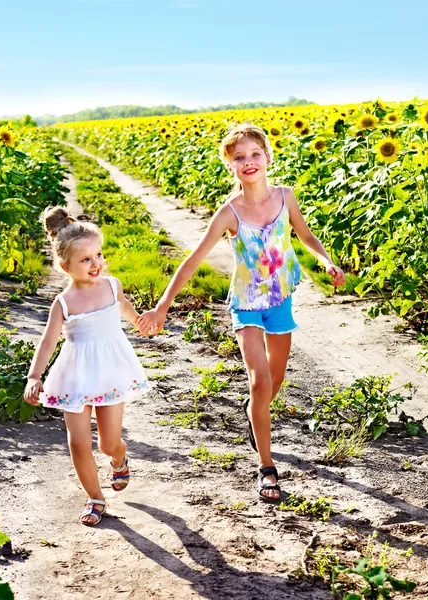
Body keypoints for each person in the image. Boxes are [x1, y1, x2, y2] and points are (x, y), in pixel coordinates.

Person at [137, 123, 346, 502]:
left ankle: (255, 412)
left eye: (254, 154)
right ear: (230, 166)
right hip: (247, 302)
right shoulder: (229, 212)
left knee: (275, 380)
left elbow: (306, 235)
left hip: (280, 298)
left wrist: (326, 261)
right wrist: (163, 305)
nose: (248, 161)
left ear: (267, 158)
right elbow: (192, 260)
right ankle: (267, 468)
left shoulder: (286, 197)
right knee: (260, 380)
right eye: (239, 157)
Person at [24, 207, 149, 525]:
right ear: (64, 266)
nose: (96, 264)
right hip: (76, 374)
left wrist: (138, 321)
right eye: (86, 260)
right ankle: (95, 497)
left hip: (110, 371)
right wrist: (34, 376)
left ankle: (118, 459)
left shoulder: (111, 286)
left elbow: (124, 307)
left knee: (108, 442)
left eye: (98, 255)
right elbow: (48, 342)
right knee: (78, 440)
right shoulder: (63, 303)